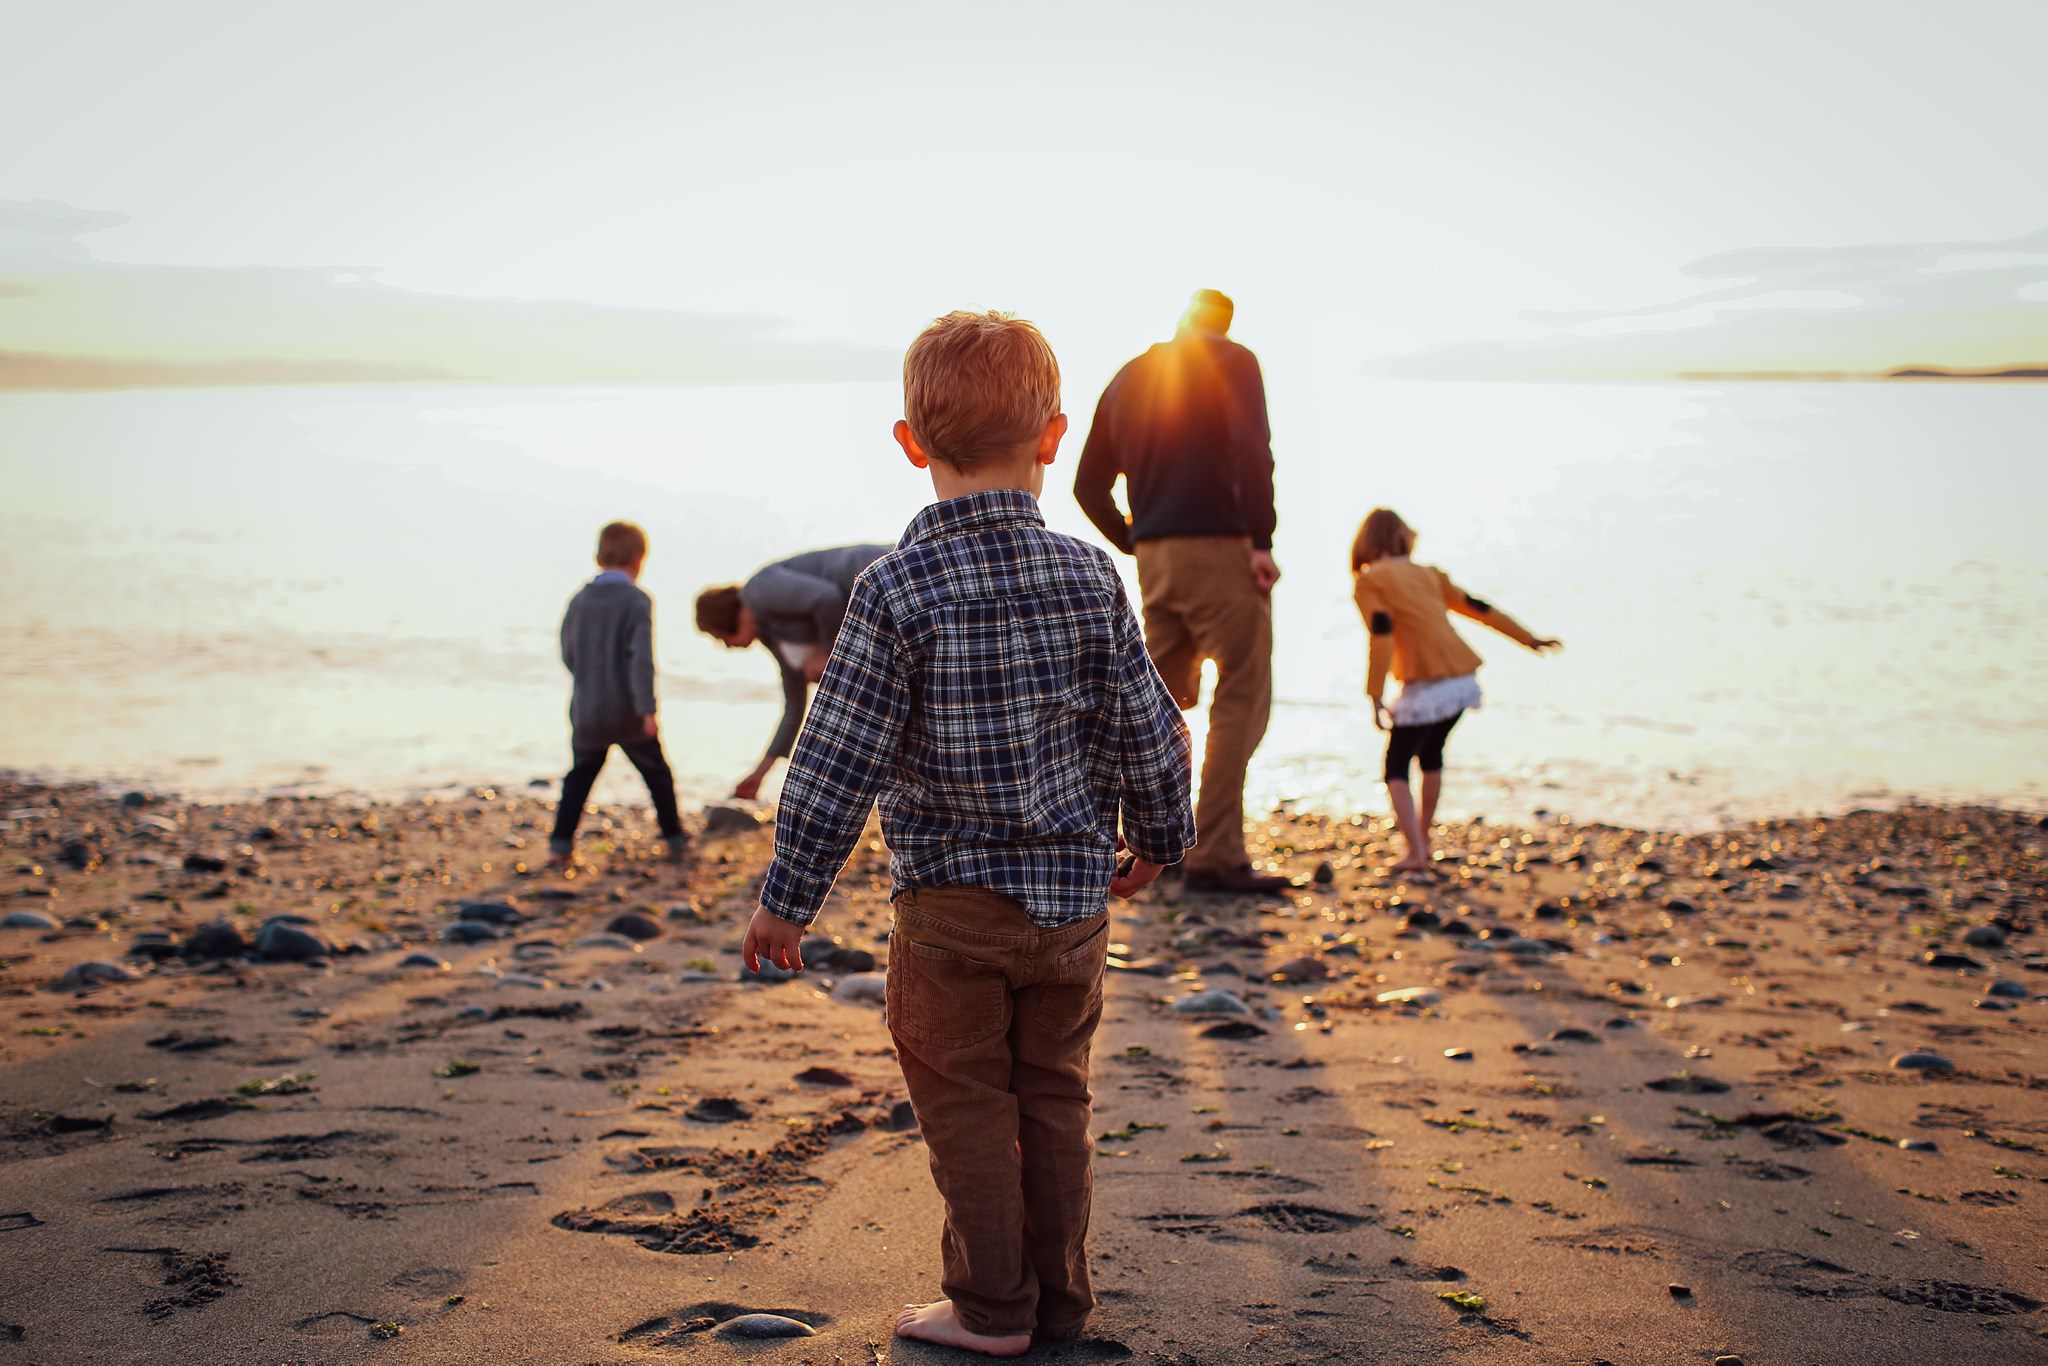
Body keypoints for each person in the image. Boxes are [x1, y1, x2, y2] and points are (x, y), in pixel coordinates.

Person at [742, 310, 1195, 1357]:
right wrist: (1158, 838)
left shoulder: (894, 589)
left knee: (966, 1107)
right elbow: (1144, 721)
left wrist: (787, 896)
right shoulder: (1091, 575)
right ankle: (1060, 1300)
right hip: (1071, 903)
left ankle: (992, 1309)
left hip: (950, 908)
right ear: (1053, 436)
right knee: (1054, 1097)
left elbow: (834, 759)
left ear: (910, 442)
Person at [1073, 288, 1291, 894]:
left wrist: (1136, 541)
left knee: (1155, 712)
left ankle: (1150, 850)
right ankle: (1215, 855)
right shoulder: (1234, 360)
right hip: (1220, 548)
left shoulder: (1131, 376)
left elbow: (1087, 485)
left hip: (1156, 560)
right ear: (1223, 325)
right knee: (1241, 698)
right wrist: (1261, 539)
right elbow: (1253, 451)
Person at [1350, 508, 1560, 873]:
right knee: (1431, 755)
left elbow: (1381, 634)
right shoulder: (1429, 574)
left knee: (1396, 765)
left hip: (1425, 683)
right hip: (1460, 681)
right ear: (1403, 537)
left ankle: (1414, 852)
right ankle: (1424, 842)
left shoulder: (1371, 580)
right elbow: (1480, 608)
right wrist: (1529, 639)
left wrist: (1374, 692)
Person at [694, 544, 889, 799]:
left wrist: (825, 652)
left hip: (880, 571)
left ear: (726, 618)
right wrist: (759, 774)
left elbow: (826, 598)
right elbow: (794, 707)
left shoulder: (757, 591)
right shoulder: (775, 637)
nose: (728, 646)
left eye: (720, 637)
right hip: (880, 601)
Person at [549, 520, 687, 866]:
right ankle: (674, 836)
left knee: (579, 778)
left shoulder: (579, 600)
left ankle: (560, 844)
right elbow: (640, 659)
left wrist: (589, 683)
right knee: (657, 773)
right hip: (626, 711)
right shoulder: (636, 600)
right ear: (639, 558)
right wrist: (647, 710)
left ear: (600, 555)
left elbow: (568, 652)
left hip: (587, 709)